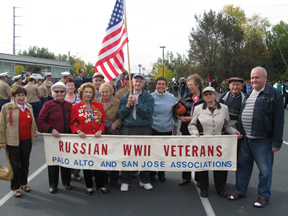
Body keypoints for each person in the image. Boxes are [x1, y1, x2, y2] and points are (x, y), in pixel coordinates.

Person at [228, 67, 284, 208]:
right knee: (243, 167)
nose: (254, 80)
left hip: (263, 140)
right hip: (246, 138)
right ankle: (240, 190)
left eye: (257, 78)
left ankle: (264, 196)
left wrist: (276, 142)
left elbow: (278, 120)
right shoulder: (249, 93)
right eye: (252, 78)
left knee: (265, 170)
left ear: (265, 78)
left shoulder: (274, 94)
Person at [188, 87, 241, 198]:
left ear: (215, 95)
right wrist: (195, 133)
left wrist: (235, 132)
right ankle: (204, 188)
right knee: (203, 166)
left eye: (210, 93)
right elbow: (192, 125)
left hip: (218, 143)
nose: (208, 96)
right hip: (203, 142)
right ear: (203, 96)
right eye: (206, 94)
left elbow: (227, 125)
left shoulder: (224, 108)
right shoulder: (198, 108)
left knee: (219, 166)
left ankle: (220, 188)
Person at [70, 83, 110, 196]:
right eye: (86, 92)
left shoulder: (98, 105)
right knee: (87, 164)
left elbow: (104, 121)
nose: (88, 94)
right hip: (85, 140)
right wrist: (78, 131)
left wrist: (101, 130)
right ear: (82, 93)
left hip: (98, 139)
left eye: (90, 92)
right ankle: (89, 186)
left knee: (99, 163)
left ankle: (100, 185)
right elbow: (72, 124)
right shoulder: (75, 107)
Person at [0, 86, 38, 197]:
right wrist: (2, 141)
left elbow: (33, 122)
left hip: (26, 140)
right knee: (15, 166)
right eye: (18, 96)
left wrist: (35, 131)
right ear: (13, 97)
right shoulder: (7, 108)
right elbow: (1, 125)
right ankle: (15, 187)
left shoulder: (29, 107)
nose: (21, 98)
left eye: (23, 95)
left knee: (25, 163)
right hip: (12, 141)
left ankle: (24, 183)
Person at [119, 73, 154, 192]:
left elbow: (148, 114)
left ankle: (144, 180)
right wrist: (128, 104)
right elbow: (121, 114)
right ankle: (125, 180)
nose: (138, 83)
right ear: (132, 83)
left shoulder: (148, 97)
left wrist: (137, 104)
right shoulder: (125, 97)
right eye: (136, 81)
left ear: (144, 83)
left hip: (144, 128)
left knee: (145, 154)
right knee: (127, 154)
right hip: (129, 128)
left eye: (140, 81)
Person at [37, 82, 73, 194]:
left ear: (65, 93)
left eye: (62, 91)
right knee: (54, 162)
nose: (59, 93)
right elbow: (40, 121)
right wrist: (51, 129)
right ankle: (53, 184)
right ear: (52, 93)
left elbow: (74, 120)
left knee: (66, 161)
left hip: (66, 138)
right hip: (52, 138)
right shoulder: (47, 105)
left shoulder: (69, 105)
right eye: (56, 91)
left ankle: (67, 182)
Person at [177, 74, 204, 186]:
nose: (189, 87)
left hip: (200, 129)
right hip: (186, 129)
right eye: (188, 85)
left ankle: (199, 177)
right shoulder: (185, 97)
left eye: (191, 85)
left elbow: (207, 115)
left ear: (197, 85)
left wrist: (192, 118)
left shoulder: (204, 98)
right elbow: (177, 110)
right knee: (186, 153)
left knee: (198, 154)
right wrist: (180, 117)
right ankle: (186, 177)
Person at [150, 77, 177, 182]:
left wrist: (175, 126)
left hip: (167, 128)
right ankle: (152, 173)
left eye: (163, 84)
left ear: (166, 86)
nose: (161, 86)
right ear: (156, 85)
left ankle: (161, 173)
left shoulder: (171, 97)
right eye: (159, 84)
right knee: (153, 153)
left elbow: (175, 113)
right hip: (154, 128)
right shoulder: (151, 97)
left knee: (163, 153)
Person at [95, 83, 121, 187]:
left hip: (113, 133)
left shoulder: (117, 103)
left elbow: (121, 117)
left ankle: (114, 180)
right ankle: (104, 178)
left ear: (111, 92)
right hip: (100, 134)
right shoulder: (95, 102)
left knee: (114, 156)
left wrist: (115, 124)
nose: (104, 94)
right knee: (102, 157)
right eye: (102, 92)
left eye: (106, 91)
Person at [64, 77, 82, 181]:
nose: (70, 87)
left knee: (76, 151)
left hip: (76, 129)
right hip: (65, 129)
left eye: (72, 85)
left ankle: (76, 172)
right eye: (68, 85)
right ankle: (66, 172)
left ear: (75, 86)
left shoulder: (79, 99)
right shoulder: (62, 98)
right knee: (66, 151)